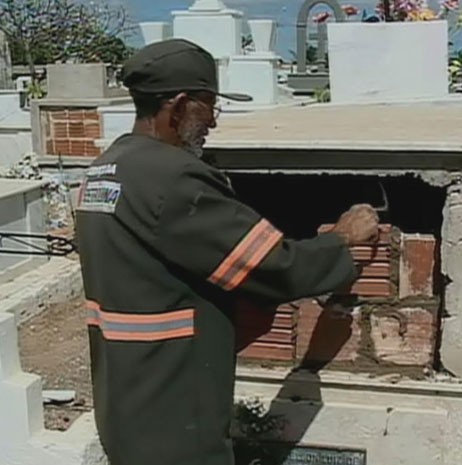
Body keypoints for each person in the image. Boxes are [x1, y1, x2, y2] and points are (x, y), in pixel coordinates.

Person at [75, 38, 379, 465]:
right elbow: (276, 268)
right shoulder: (174, 179)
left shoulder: (105, 170)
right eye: (209, 106)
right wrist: (342, 239)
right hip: (177, 416)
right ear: (178, 106)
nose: (213, 122)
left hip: (124, 403)